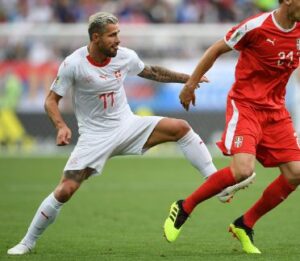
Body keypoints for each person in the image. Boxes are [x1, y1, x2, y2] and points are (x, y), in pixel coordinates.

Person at [7, 12, 253, 255]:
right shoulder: (73, 64)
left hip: (127, 125)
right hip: (95, 136)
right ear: (96, 38)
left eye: (118, 34)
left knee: (181, 128)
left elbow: (153, 72)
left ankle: (216, 184)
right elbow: (51, 101)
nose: (118, 40)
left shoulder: (124, 57)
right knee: (65, 191)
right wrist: (61, 126)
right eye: (112, 35)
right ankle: (27, 242)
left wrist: (189, 79)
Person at [164, 0, 300, 254]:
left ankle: (244, 224)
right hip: (246, 106)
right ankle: (185, 207)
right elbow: (216, 49)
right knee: (242, 170)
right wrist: (190, 84)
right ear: (288, 1)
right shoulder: (256, 26)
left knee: (296, 173)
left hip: (276, 112)